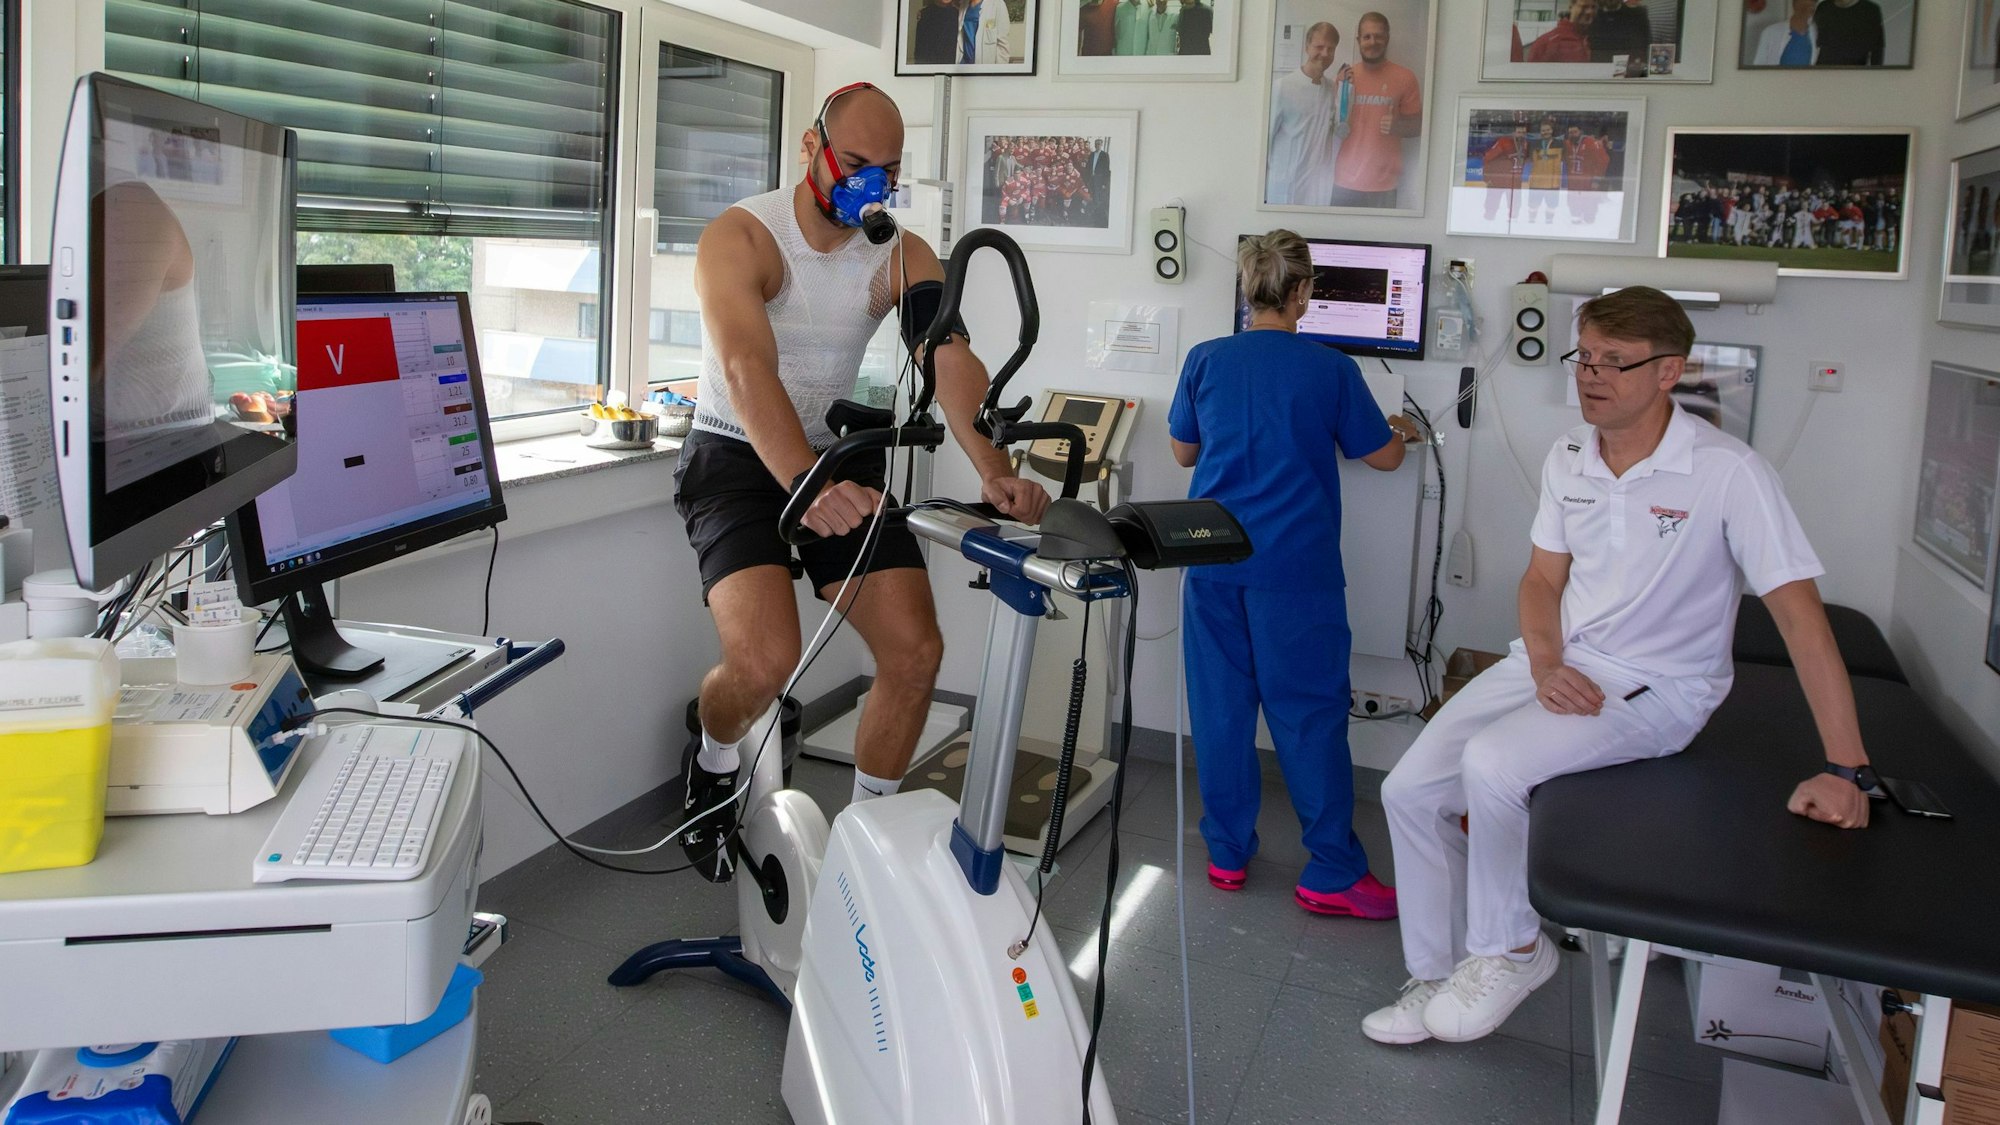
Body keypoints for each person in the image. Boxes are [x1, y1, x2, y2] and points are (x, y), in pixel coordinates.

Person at [1361, 285, 1876, 1047]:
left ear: (1671, 371)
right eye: (1585, 358)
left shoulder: (1728, 472)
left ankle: (1513, 948)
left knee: (1494, 763)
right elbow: (1540, 581)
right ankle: (1437, 968)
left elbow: (1803, 622)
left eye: (1615, 363)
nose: (1591, 376)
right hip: (1558, 658)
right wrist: (1542, 662)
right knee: (1407, 789)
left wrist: (1849, 769)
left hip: (1663, 686)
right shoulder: (1569, 454)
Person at [674, 83, 1051, 880]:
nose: (869, 187)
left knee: (915, 652)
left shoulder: (899, 250)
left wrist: (993, 466)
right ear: (810, 150)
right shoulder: (742, 236)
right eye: (854, 165)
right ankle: (710, 756)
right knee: (763, 666)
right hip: (736, 458)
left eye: (888, 171)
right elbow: (746, 369)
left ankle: (863, 857)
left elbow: (945, 354)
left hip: (834, 457)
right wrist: (805, 487)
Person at [1168, 229, 1413, 919]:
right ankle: (1332, 869)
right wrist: (1400, 432)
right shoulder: (1330, 368)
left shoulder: (1206, 358)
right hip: (1294, 572)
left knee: (1220, 712)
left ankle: (1225, 853)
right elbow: (1384, 457)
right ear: (1303, 292)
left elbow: (1185, 451)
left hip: (1211, 564)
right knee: (1307, 717)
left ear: (1248, 290)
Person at [1328, 12, 1424, 210]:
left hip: (1384, 184)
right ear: (1358, 40)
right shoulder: (1346, 78)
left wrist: (1397, 126)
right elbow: (1334, 126)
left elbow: (1418, 127)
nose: (1373, 42)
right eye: (1367, 36)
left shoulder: (1405, 77)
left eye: (1379, 36)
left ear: (1387, 38)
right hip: (1344, 181)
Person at [1265, 22, 1340, 206]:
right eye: (1319, 47)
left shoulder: (1332, 89)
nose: (1324, 53)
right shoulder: (1282, 86)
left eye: (1330, 49)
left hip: (1317, 190)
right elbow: (1265, 139)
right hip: (1285, 187)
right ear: (1307, 46)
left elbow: (1340, 131)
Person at [1480, 119, 1531, 225]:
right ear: (1513, 132)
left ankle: (1513, 226)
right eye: (1519, 132)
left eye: (1523, 133)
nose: (1521, 135)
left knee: (1515, 207)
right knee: (1491, 206)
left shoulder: (1525, 144)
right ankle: (1487, 224)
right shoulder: (1504, 142)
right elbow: (1487, 158)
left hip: (1514, 181)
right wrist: (1487, 178)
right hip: (1497, 181)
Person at [1814, 0, 1884, 65]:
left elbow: (1877, 50)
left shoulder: (1870, 11)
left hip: (1855, 73)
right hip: (1822, 72)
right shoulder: (1823, 8)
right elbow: (1816, 43)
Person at [1751, 0, 1818, 65]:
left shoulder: (1818, 34)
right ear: (1794, 4)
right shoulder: (1770, 33)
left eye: (1811, 5)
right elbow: (1758, 66)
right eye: (1804, 6)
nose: (1806, 10)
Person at [1526, 0, 1595, 62]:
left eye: (1593, 7)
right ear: (1571, 7)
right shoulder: (1546, 43)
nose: (1590, 11)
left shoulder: (1593, 40)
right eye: (1584, 6)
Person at [960, 0, 1014, 65]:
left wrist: (999, 71)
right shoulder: (963, 5)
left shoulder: (998, 4)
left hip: (984, 66)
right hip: (964, 64)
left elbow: (1003, 45)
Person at [912, 0, 961, 65]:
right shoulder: (924, 14)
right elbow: (919, 52)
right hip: (928, 67)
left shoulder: (959, 15)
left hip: (952, 67)